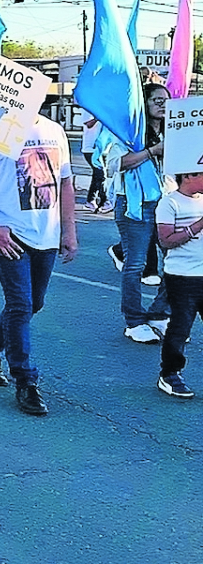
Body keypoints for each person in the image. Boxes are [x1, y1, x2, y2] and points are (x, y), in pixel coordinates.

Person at [0, 114, 77, 416]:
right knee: (20, 304)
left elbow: (65, 183)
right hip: (8, 233)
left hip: (46, 233)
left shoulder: (54, 130)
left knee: (34, 303)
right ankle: (25, 380)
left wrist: (69, 230)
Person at [103, 84, 172, 343]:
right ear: (144, 102)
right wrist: (153, 151)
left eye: (167, 100)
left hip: (168, 202)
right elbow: (114, 164)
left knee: (175, 261)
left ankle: (160, 314)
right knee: (136, 264)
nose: (163, 105)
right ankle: (134, 321)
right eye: (157, 100)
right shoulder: (127, 132)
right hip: (135, 203)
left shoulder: (175, 131)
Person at [155, 171, 203, 398]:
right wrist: (199, 225)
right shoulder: (169, 203)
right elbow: (166, 241)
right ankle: (170, 374)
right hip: (182, 276)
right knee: (181, 327)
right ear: (189, 176)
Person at [81, 116, 108, 211]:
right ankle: (103, 201)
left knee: (98, 175)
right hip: (90, 149)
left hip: (101, 149)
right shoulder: (89, 109)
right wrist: (98, 116)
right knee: (100, 174)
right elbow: (88, 124)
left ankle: (93, 200)